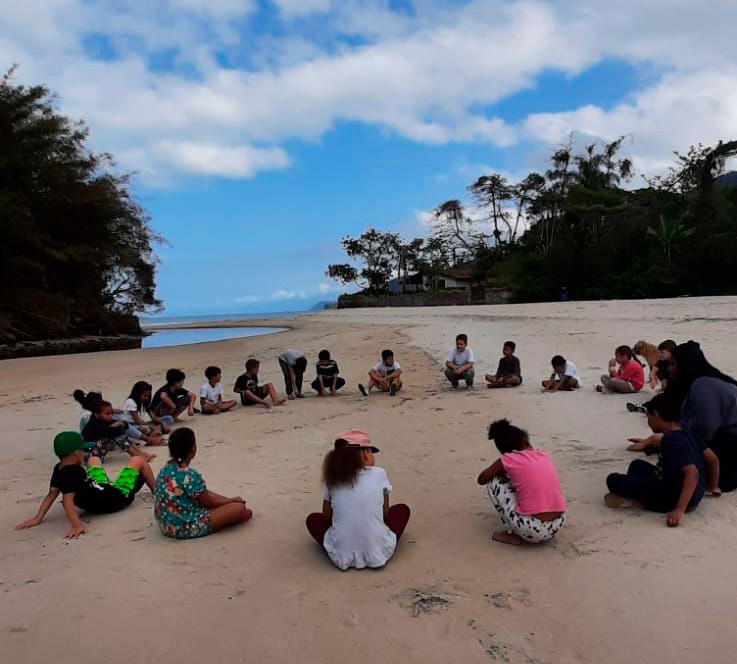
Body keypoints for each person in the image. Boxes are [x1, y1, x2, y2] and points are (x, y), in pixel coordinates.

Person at [627, 341, 737, 492]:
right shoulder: (698, 382)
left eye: (673, 364)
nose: (669, 369)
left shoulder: (703, 385)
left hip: (729, 443)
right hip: (723, 439)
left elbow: (705, 430)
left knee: (679, 472)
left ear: (685, 365)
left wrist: (664, 439)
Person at [15, 431, 154, 539]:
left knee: (94, 460)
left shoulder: (59, 468)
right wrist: (77, 525)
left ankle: (110, 482)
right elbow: (67, 501)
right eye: (83, 450)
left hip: (100, 491)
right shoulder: (75, 473)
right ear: (75, 453)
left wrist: (37, 518)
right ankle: (157, 492)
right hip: (117, 498)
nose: (84, 453)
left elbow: (52, 494)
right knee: (138, 460)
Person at [305, 429, 410, 570]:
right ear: (366, 453)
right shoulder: (379, 473)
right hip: (377, 553)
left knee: (313, 520)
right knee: (402, 510)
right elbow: (385, 513)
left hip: (340, 556)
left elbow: (326, 515)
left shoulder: (332, 478)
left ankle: (346, 540)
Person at [606, 393, 708, 526]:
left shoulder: (671, 440)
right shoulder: (684, 429)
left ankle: (642, 502)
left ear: (656, 415)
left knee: (612, 479)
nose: (648, 423)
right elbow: (712, 458)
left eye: (648, 418)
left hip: (670, 496)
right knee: (636, 465)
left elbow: (692, 473)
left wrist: (679, 509)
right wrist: (711, 486)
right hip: (692, 492)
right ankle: (643, 492)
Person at [477, 419, 566, 545]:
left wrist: (500, 469)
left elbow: (482, 479)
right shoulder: (543, 454)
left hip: (531, 529)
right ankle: (538, 531)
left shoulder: (508, 459)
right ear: (525, 441)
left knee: (494, 481)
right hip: (557, 524)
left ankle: (512, 533)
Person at [154, 427, 253, 539]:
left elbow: (201, 494)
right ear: (193, 450)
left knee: (207, 494)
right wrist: (230, 502)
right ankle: (231, 514)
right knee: (238, 508)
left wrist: (228, 500)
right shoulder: (190, 475)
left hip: (165, 523)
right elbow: (209, 504)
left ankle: (230, 507)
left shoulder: (165, 470)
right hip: (184, 526)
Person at [82, 400, 155, 462]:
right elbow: (109, 431)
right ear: (97, 414)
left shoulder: (102, 419)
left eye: (111, 413)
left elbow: (124, 426)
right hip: (89, 456)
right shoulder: (94, 424)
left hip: (96, 451)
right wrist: (115, 426)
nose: (110, 416)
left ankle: (140, 453)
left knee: (119, 433)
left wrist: (120, 423)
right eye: (107, 414)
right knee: (117, 435)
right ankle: (136, 456)